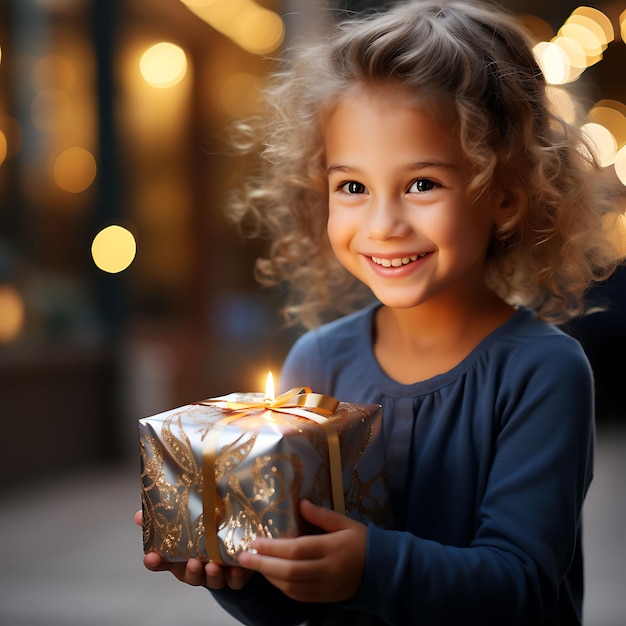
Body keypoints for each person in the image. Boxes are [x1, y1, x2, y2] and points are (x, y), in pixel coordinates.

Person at [137, 1, 626, 623]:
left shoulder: (544, 372)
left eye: (422, 184)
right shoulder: (317, 361)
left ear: (504, 196)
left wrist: (370, 568)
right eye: (353, 187)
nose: (384, 225)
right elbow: (292, 599)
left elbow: (520, 585)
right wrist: (232, 564)